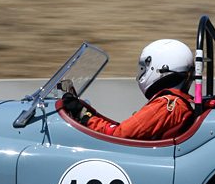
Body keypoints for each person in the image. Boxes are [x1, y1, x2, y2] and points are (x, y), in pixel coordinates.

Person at [62, 38, 196, 140]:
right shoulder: (176, 103)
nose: (142, 73)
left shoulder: (165, 105)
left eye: (145, 68)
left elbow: (118, 135)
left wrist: (84, 116)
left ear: (161, 68)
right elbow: (125, 130)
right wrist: (88, 113)